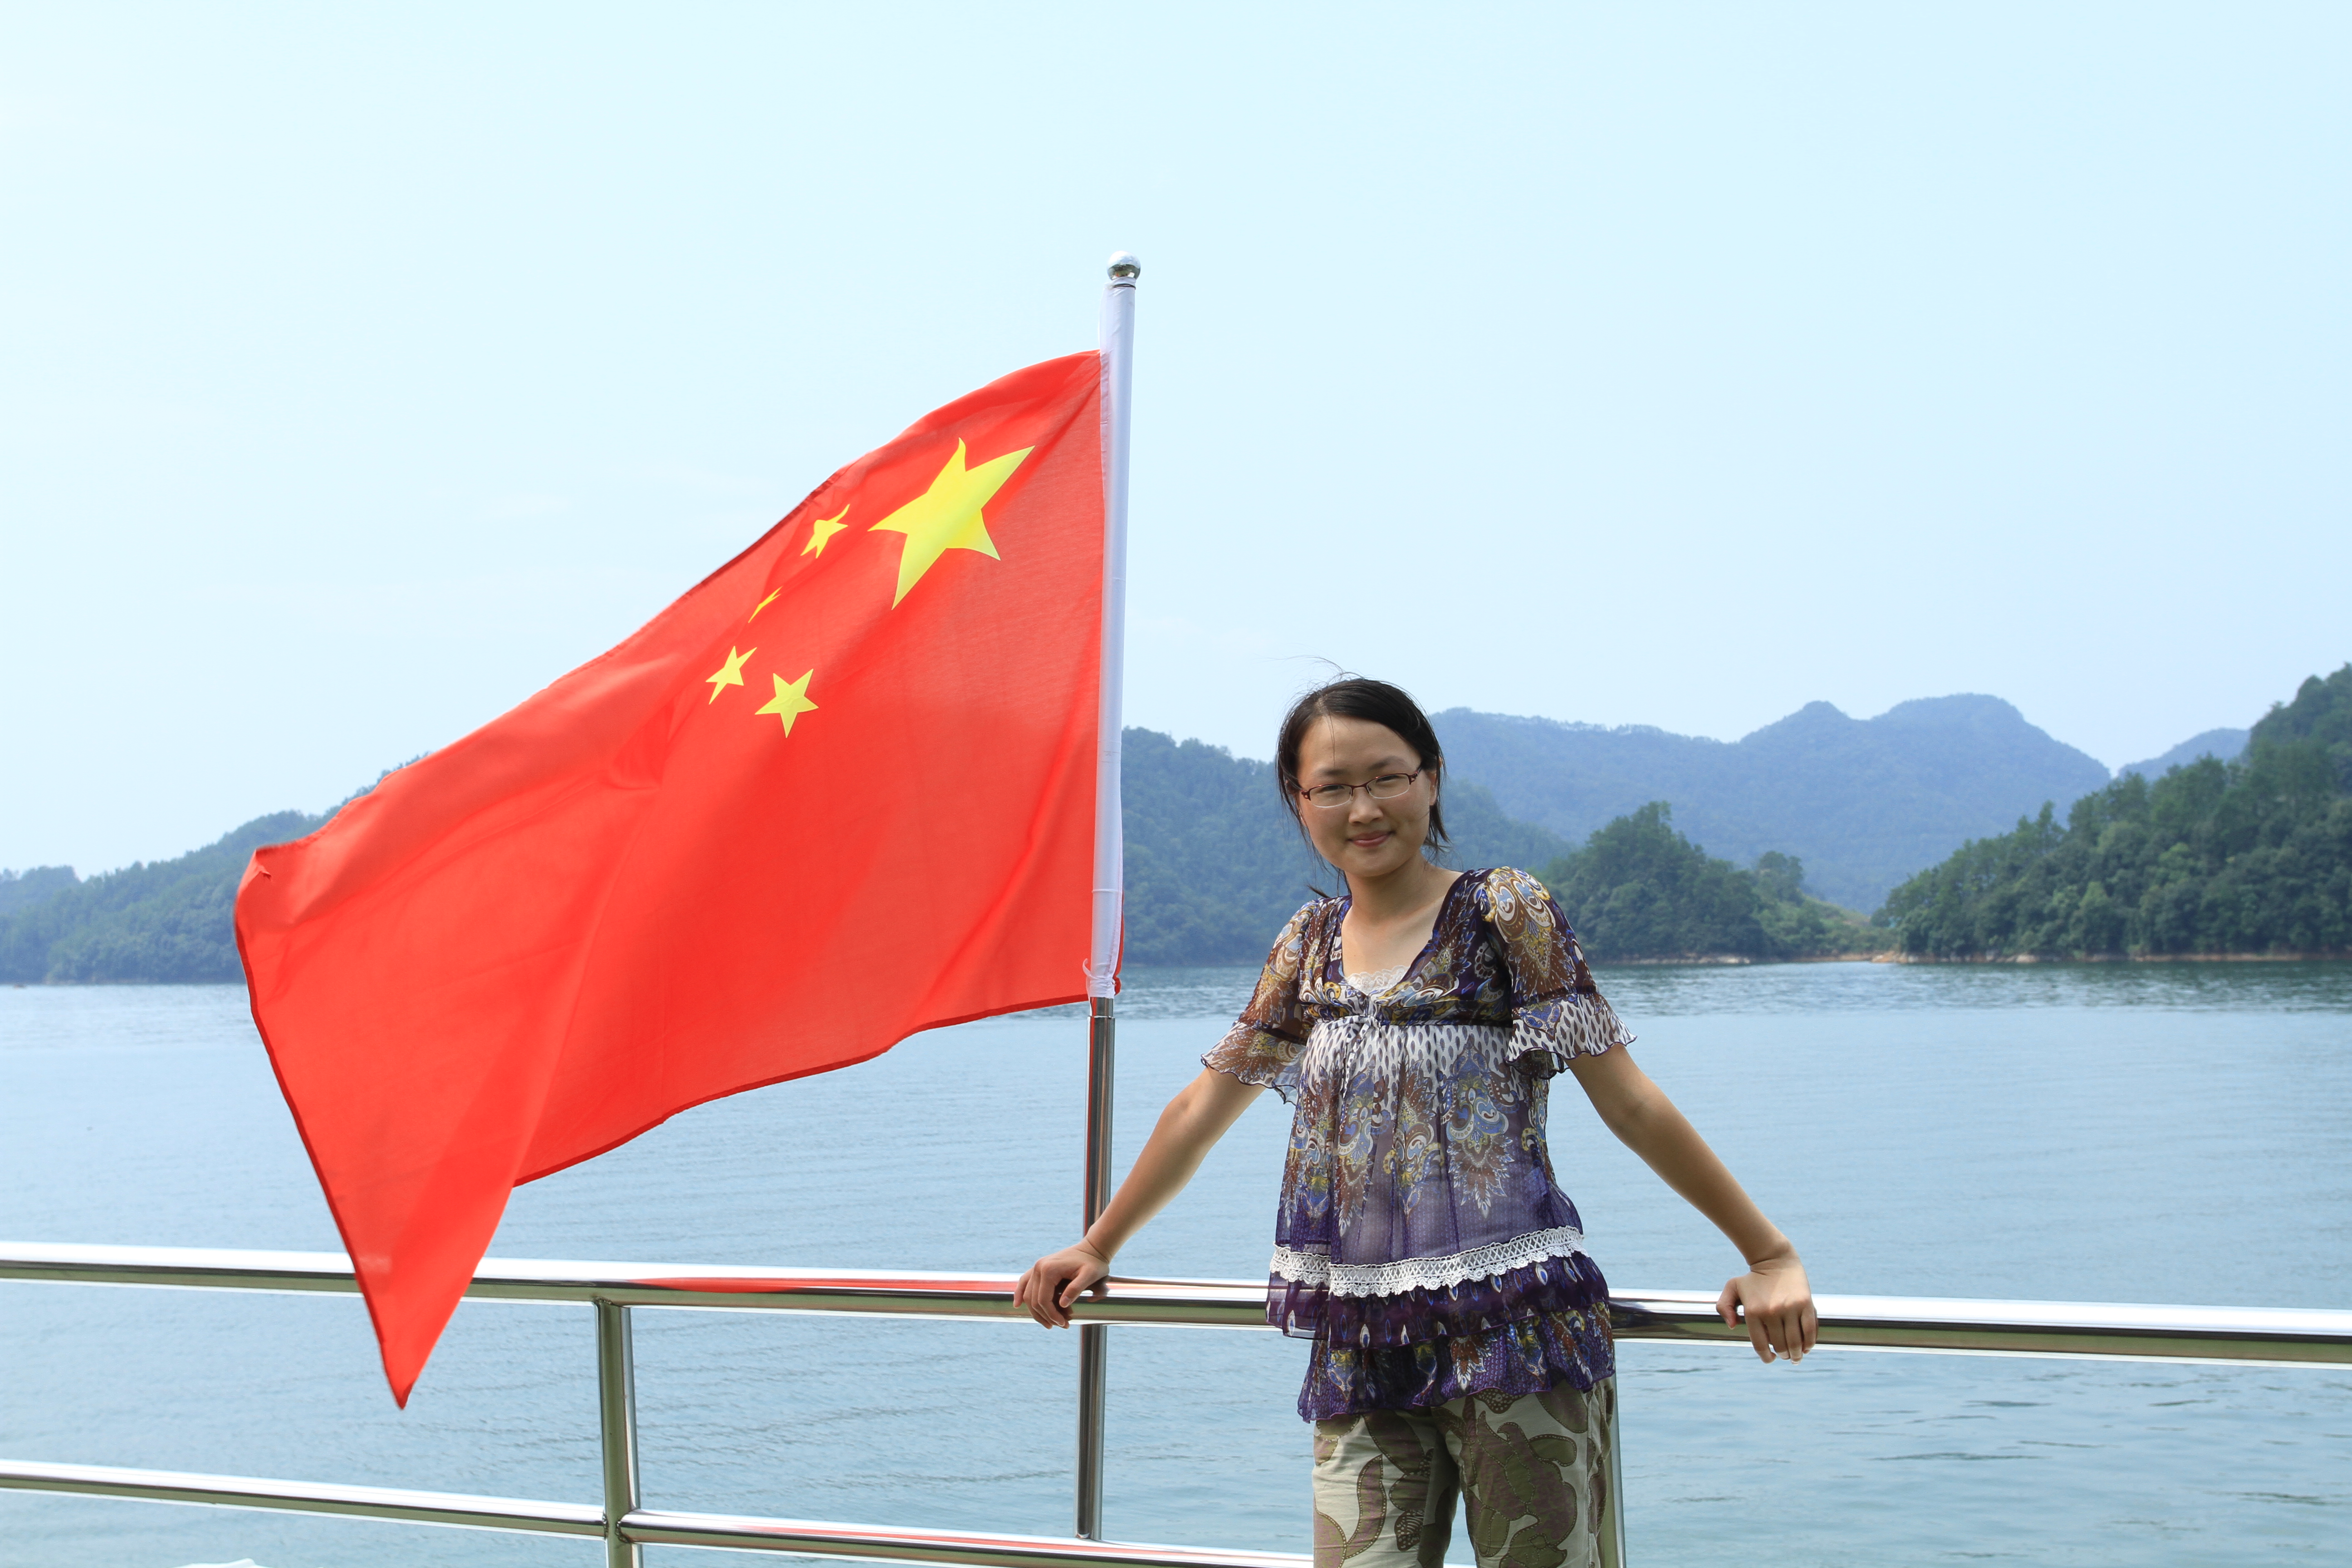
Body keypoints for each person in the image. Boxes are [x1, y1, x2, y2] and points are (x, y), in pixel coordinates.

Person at [1017, 677, 1815, 1568]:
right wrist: (1099, 1244)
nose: (1364, 809)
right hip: (1362, 1343)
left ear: (1430, 779)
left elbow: (1627, 1099)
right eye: (1332, 787)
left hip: (1514, 1332)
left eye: (1387, 778)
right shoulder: (1307, 944)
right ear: (1298, 801)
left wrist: (1768, 1254)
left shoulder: (1501, 911)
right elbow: (1204, 1106)